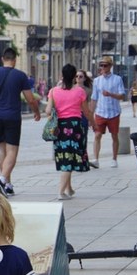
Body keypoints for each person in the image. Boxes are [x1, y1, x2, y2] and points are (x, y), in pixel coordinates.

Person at [0, 47, 41, 197]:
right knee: (12, 151)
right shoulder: (20, 76)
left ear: (2, 59)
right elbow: (30, 99)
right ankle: (1, 180)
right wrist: (36, 112)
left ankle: (7, 184)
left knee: (3, 150)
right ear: (14, 60)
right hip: (12, 116)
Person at [46, 64, 92, 199]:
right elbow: (86, 111)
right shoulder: (79, 92)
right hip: (75, 127)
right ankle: (60, 192)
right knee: (69, 158)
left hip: (60, 127)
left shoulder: (53, 91)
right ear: (73, 77)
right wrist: (93, 123)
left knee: (65, 156)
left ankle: (69, 189)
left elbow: (48, 111)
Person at [90, 56, 125, 169]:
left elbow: (122, 95)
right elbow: (94, 98)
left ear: (110, 66)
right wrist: (91, 115)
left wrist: (111, 94)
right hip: (100, 111)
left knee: (114, 136)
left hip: (113, 112)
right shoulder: (96, 81)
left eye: (105, 65)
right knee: (97, 135)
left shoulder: (117, 79)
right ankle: (96, 159)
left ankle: (114, 159)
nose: (103, 67)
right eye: (101, 65)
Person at [76, 70, 93, 154]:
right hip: (74, 115)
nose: (78, 78)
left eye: (80, 76)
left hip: (83, 115)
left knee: (83, 136)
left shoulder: (88, 90)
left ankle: (83, 155)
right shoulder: (71, 88)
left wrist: (90, 119)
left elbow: (89, 104)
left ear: (84, 78)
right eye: (76, 76)